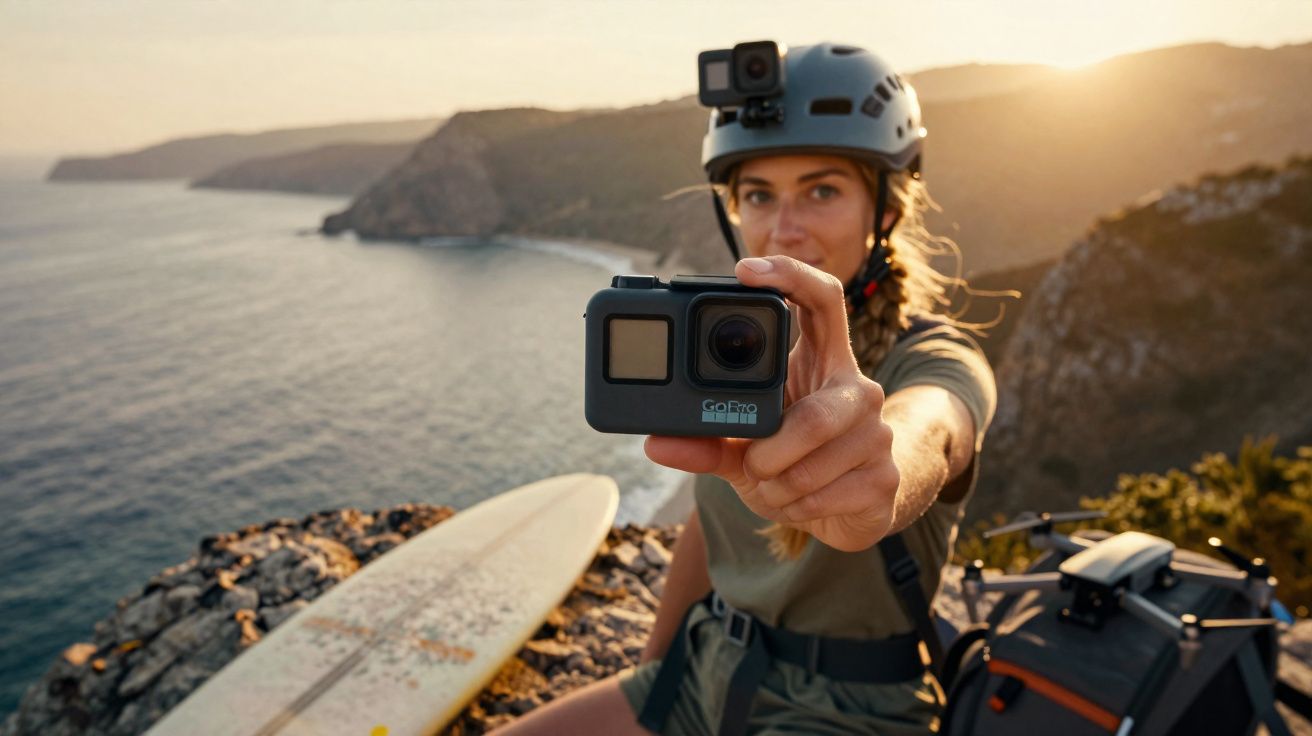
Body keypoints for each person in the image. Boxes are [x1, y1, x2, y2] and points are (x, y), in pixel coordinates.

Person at [494, 41, 997, 736]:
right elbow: (712, 513)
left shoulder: (935, 358)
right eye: (758, 194)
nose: (782, 229)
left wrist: (884, 467)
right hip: (703, 670)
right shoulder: (729, 351)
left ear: (884, 211)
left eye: (822, 190)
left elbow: (933, 430)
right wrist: (655, 677)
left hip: (847, 711)